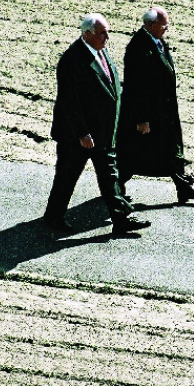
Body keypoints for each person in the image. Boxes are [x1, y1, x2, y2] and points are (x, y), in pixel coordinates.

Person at [43, 13, 151, 236]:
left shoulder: (101, 51)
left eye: (107, 32)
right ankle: (53, 216)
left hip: (102, 132)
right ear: (87, 34)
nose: (107, 37)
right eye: (102, 33)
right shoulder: (72, 60)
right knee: (67, 176)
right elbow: (69, 102)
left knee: (110, 175)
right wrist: (82, 133)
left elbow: (110, 87)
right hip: (77, 136)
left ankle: (121, 220)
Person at [118, 6, 194, 204]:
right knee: (136, 153)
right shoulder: (138, 47)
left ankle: (183, 188)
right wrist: (142, 119)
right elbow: (136, 86)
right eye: (163, 25)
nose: (166, 28)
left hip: (164, 111)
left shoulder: (157, 41)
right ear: (151, 25)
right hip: (150, 113)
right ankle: (115, 187)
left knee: (171, 150)